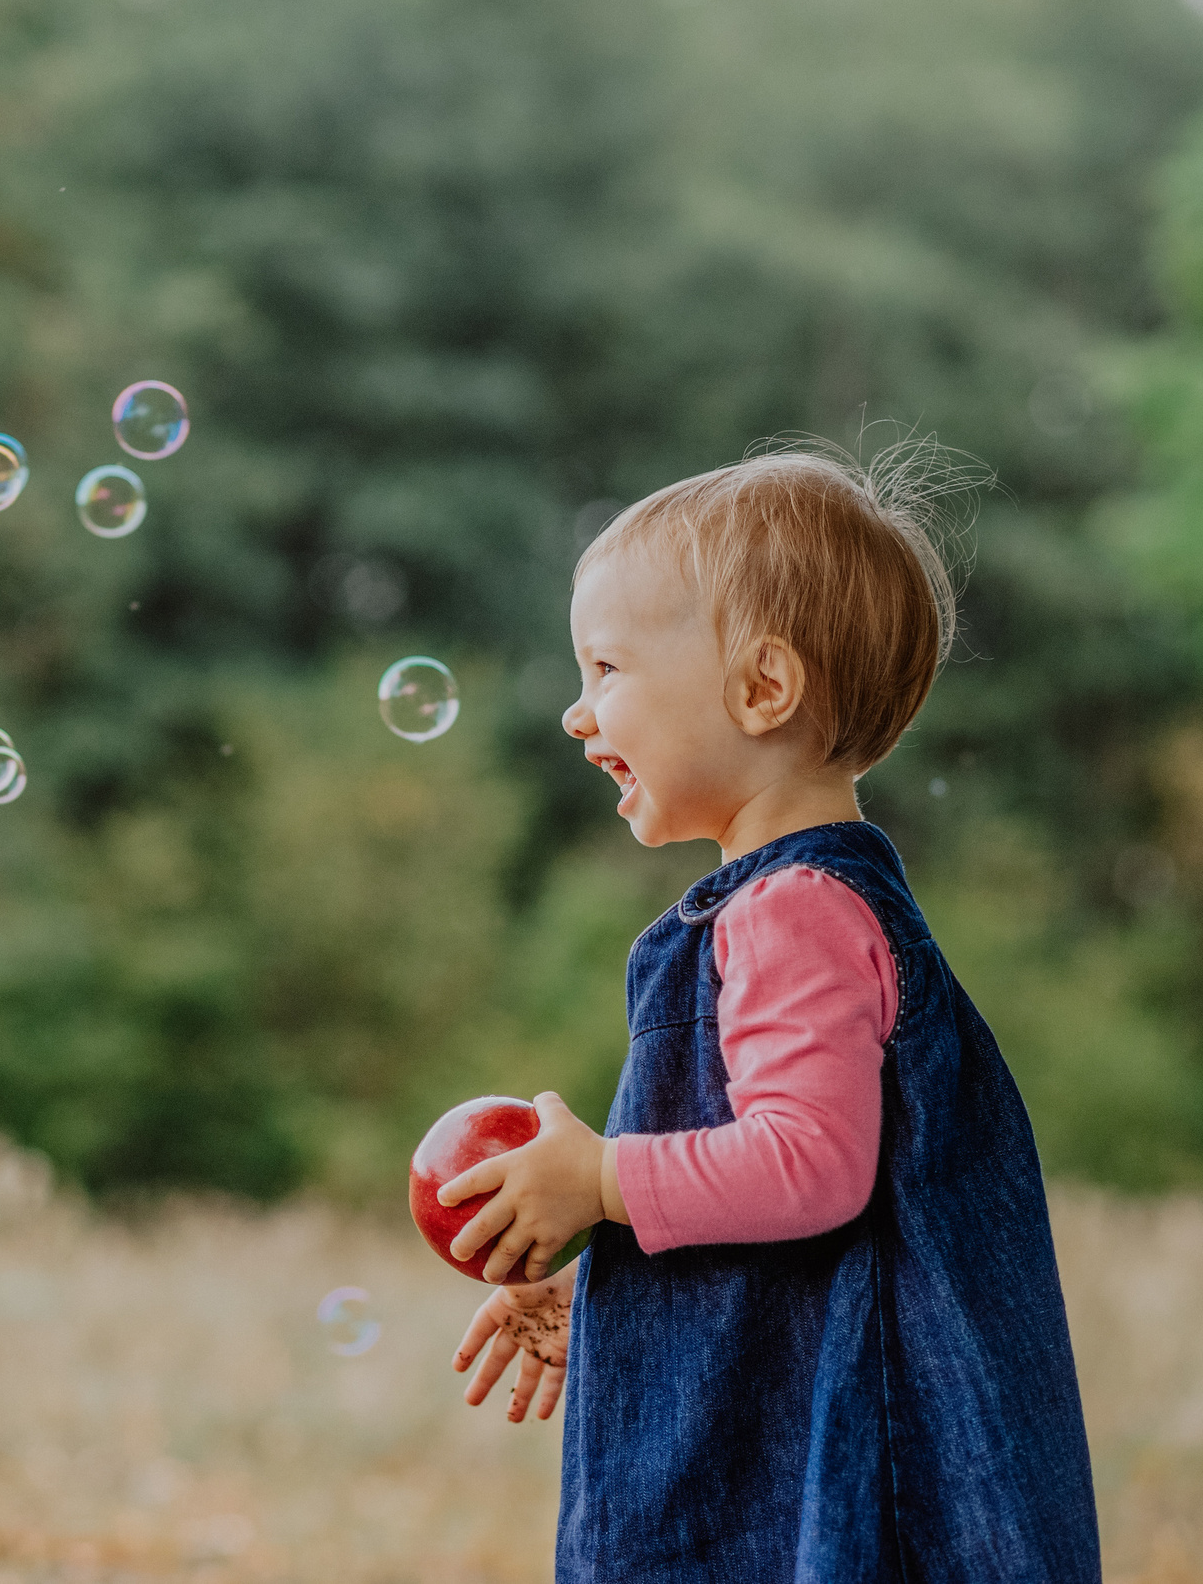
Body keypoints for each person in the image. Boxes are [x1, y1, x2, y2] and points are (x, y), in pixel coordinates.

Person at [439, 445, 1102, 1582]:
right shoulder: (807, 902)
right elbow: (796, 1226)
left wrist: (602, 1179)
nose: (576, 713)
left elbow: (810, 1167)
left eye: (606, 667)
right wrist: (613, 1286)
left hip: (821, 1459)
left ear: (761, 689)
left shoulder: (791, 910)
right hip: (783, 1411)